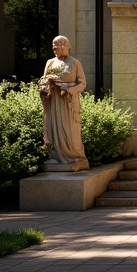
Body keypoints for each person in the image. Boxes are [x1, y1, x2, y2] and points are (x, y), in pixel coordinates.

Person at [38, 35, 89, 171]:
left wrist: (70, 89)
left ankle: (75, 156)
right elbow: (43, 80)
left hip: (68, 101)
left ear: (65, 46)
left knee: (71, 129)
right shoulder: (50, 62)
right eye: (53, 47)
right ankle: (56, 155)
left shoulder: (74, 62)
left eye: (57, 47)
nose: (54, 49)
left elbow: (82, 83)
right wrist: (47, 82)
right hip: (55, 100)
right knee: (54, 127)